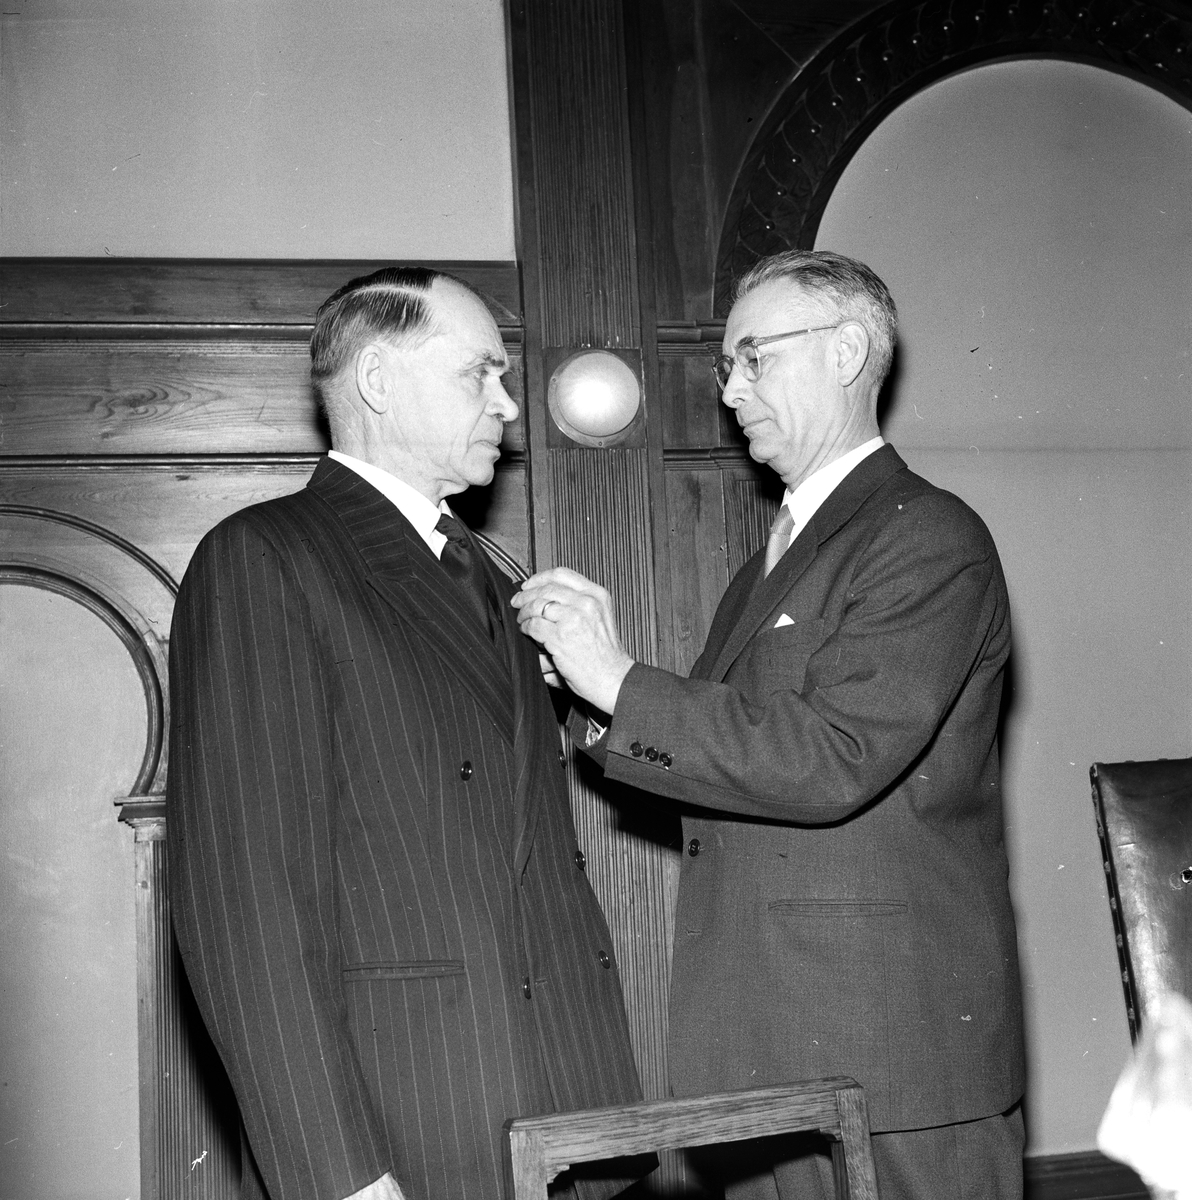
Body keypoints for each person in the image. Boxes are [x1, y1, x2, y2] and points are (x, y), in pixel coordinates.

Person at [513, 250, 1026, 1200]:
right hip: (769, 1059)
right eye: (727, 366)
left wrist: (620, 681)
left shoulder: (927, 533)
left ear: (847, 352)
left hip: (891, 1064)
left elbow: (831, 759)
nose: (731, 389)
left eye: (757, 358)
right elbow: (729, 776)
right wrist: (597, 697)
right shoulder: (771, 564)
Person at [168, 267, 647, 1200]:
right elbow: (245, 904)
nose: (509, 406)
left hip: (571, 1108)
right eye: (482, 374)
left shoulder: (487, 575)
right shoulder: (266, 558)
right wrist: (337, 1174)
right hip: (415, 1121)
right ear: (380, 382)